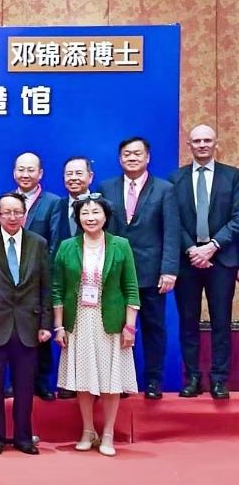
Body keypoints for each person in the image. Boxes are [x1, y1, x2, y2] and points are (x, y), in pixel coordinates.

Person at [53, 194, 140, 457]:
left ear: (106, 216)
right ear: (78, 218)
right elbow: (57, 289)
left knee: (110, 381)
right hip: (78, 321)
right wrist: (59, 326)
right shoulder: (67, 246)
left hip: (111, 322)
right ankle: (88, 431)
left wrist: (130, 327)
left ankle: (109, 433)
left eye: (95, 213)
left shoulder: (120, 245)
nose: (90, 218)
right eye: (84, 214)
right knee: (84, 379)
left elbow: (131, 288)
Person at [0, 193, 51, 456]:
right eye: (7, 213)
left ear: (25, 214)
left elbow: (46, 287)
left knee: (25, 387)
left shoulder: (38, 243)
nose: (13, 217)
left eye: (18, 212)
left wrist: (45, 323)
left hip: (28, 325)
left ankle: (24, 437)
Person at [97, 137, 180, 399]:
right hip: (115, 273)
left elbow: (171, 232)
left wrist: (169, 269)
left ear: (147, 158)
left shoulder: (165, 189)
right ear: (120, 159)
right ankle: (121, 380)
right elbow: (101, 231)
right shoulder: (106, 187)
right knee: (117, 328)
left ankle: (153, 381)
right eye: (126, 154)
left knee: (154, 328)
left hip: (152, 273)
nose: (131, 158)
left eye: (137, 154)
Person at [169, 125, 239, 400]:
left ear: (216, 143)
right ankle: (193, 378)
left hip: (221, 259)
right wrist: (192, 249)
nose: (202, 145)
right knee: (188, 321)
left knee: (221, 321)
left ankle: (219, 379)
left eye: (207, 140)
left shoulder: (233, 177)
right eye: (196, 141)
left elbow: (237, 217)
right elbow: (172, 219)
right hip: (187, 262)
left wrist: (211, 247)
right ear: (189, 145)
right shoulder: (176, 179)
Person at [13, 152, 60, 400]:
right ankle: (13, 382)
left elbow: (54, 243)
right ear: (14, 173)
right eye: (21, 169)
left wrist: (40, 273)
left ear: (40, 173)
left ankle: (42, 381)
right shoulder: (6, 201)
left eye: (31, 170)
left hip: (39, 278)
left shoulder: (53, 202)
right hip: (9, 280)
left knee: (40, 330)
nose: (25, 174)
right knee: (11, 331)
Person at [49, 156, 96, 400]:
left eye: (79, 173)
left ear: (90, 176)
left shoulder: (102, 207)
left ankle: (100, 384)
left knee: (95, 333)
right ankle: (70, 382)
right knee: (67, 333)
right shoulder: (54, 206)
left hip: (95, 281)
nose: (73, 178)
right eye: (69, 174)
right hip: (63, 282)